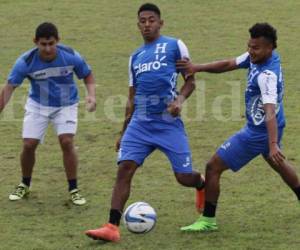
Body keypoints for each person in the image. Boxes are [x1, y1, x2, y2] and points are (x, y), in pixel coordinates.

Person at [85, 3, 205, 242]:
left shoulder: (174, 45)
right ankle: (111, 226)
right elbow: (132, 97)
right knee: (124, 169)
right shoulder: (135, 57)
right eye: (143, 21)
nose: (147, 24)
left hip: (168, 124)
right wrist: (123, 131)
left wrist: (179, 100)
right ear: (138, 24)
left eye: (151, 20)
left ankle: (200, 183)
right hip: (140, 124)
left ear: (161, 23)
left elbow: (190, 81)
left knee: (183, 177)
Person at [177, 23, 300, 232]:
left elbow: (269, 109)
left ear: (270, 48)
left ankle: (208, 220)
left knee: (213, 167)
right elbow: (228, 64)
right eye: (250, 46)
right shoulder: (258, 58)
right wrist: (196, 67)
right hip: (272, 124)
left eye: (256, 48)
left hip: (259, 132)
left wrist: (271, 144)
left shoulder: (266, 75)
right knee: (277, 163)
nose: (251, 51)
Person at [0, 22, 96, 205]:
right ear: (35, 42)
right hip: (38, 105)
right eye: (43, 44)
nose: (48, 48)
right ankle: (24, 184)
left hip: (66, 105)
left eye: (51, 43)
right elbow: (9, 88)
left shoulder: (71, 56)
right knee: (28, 145)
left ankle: (73, 188)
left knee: (67, 141)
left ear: (57, 41)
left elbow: (87, 74)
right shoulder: (25, 62)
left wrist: (91, 96)